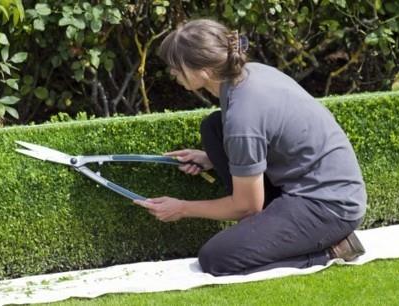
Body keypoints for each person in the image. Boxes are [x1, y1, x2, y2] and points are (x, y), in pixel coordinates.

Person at [133, 19, 366, 276]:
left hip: (329, 205)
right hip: (311, 184)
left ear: (203, 70)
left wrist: (182, 208)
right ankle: (269, 231)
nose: (172, 74)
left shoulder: (243, 116)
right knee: (213, 128)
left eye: (176, 67)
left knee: (216, 258)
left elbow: (247, 207)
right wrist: (209, 158)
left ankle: (332, 250)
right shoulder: (248, 74)